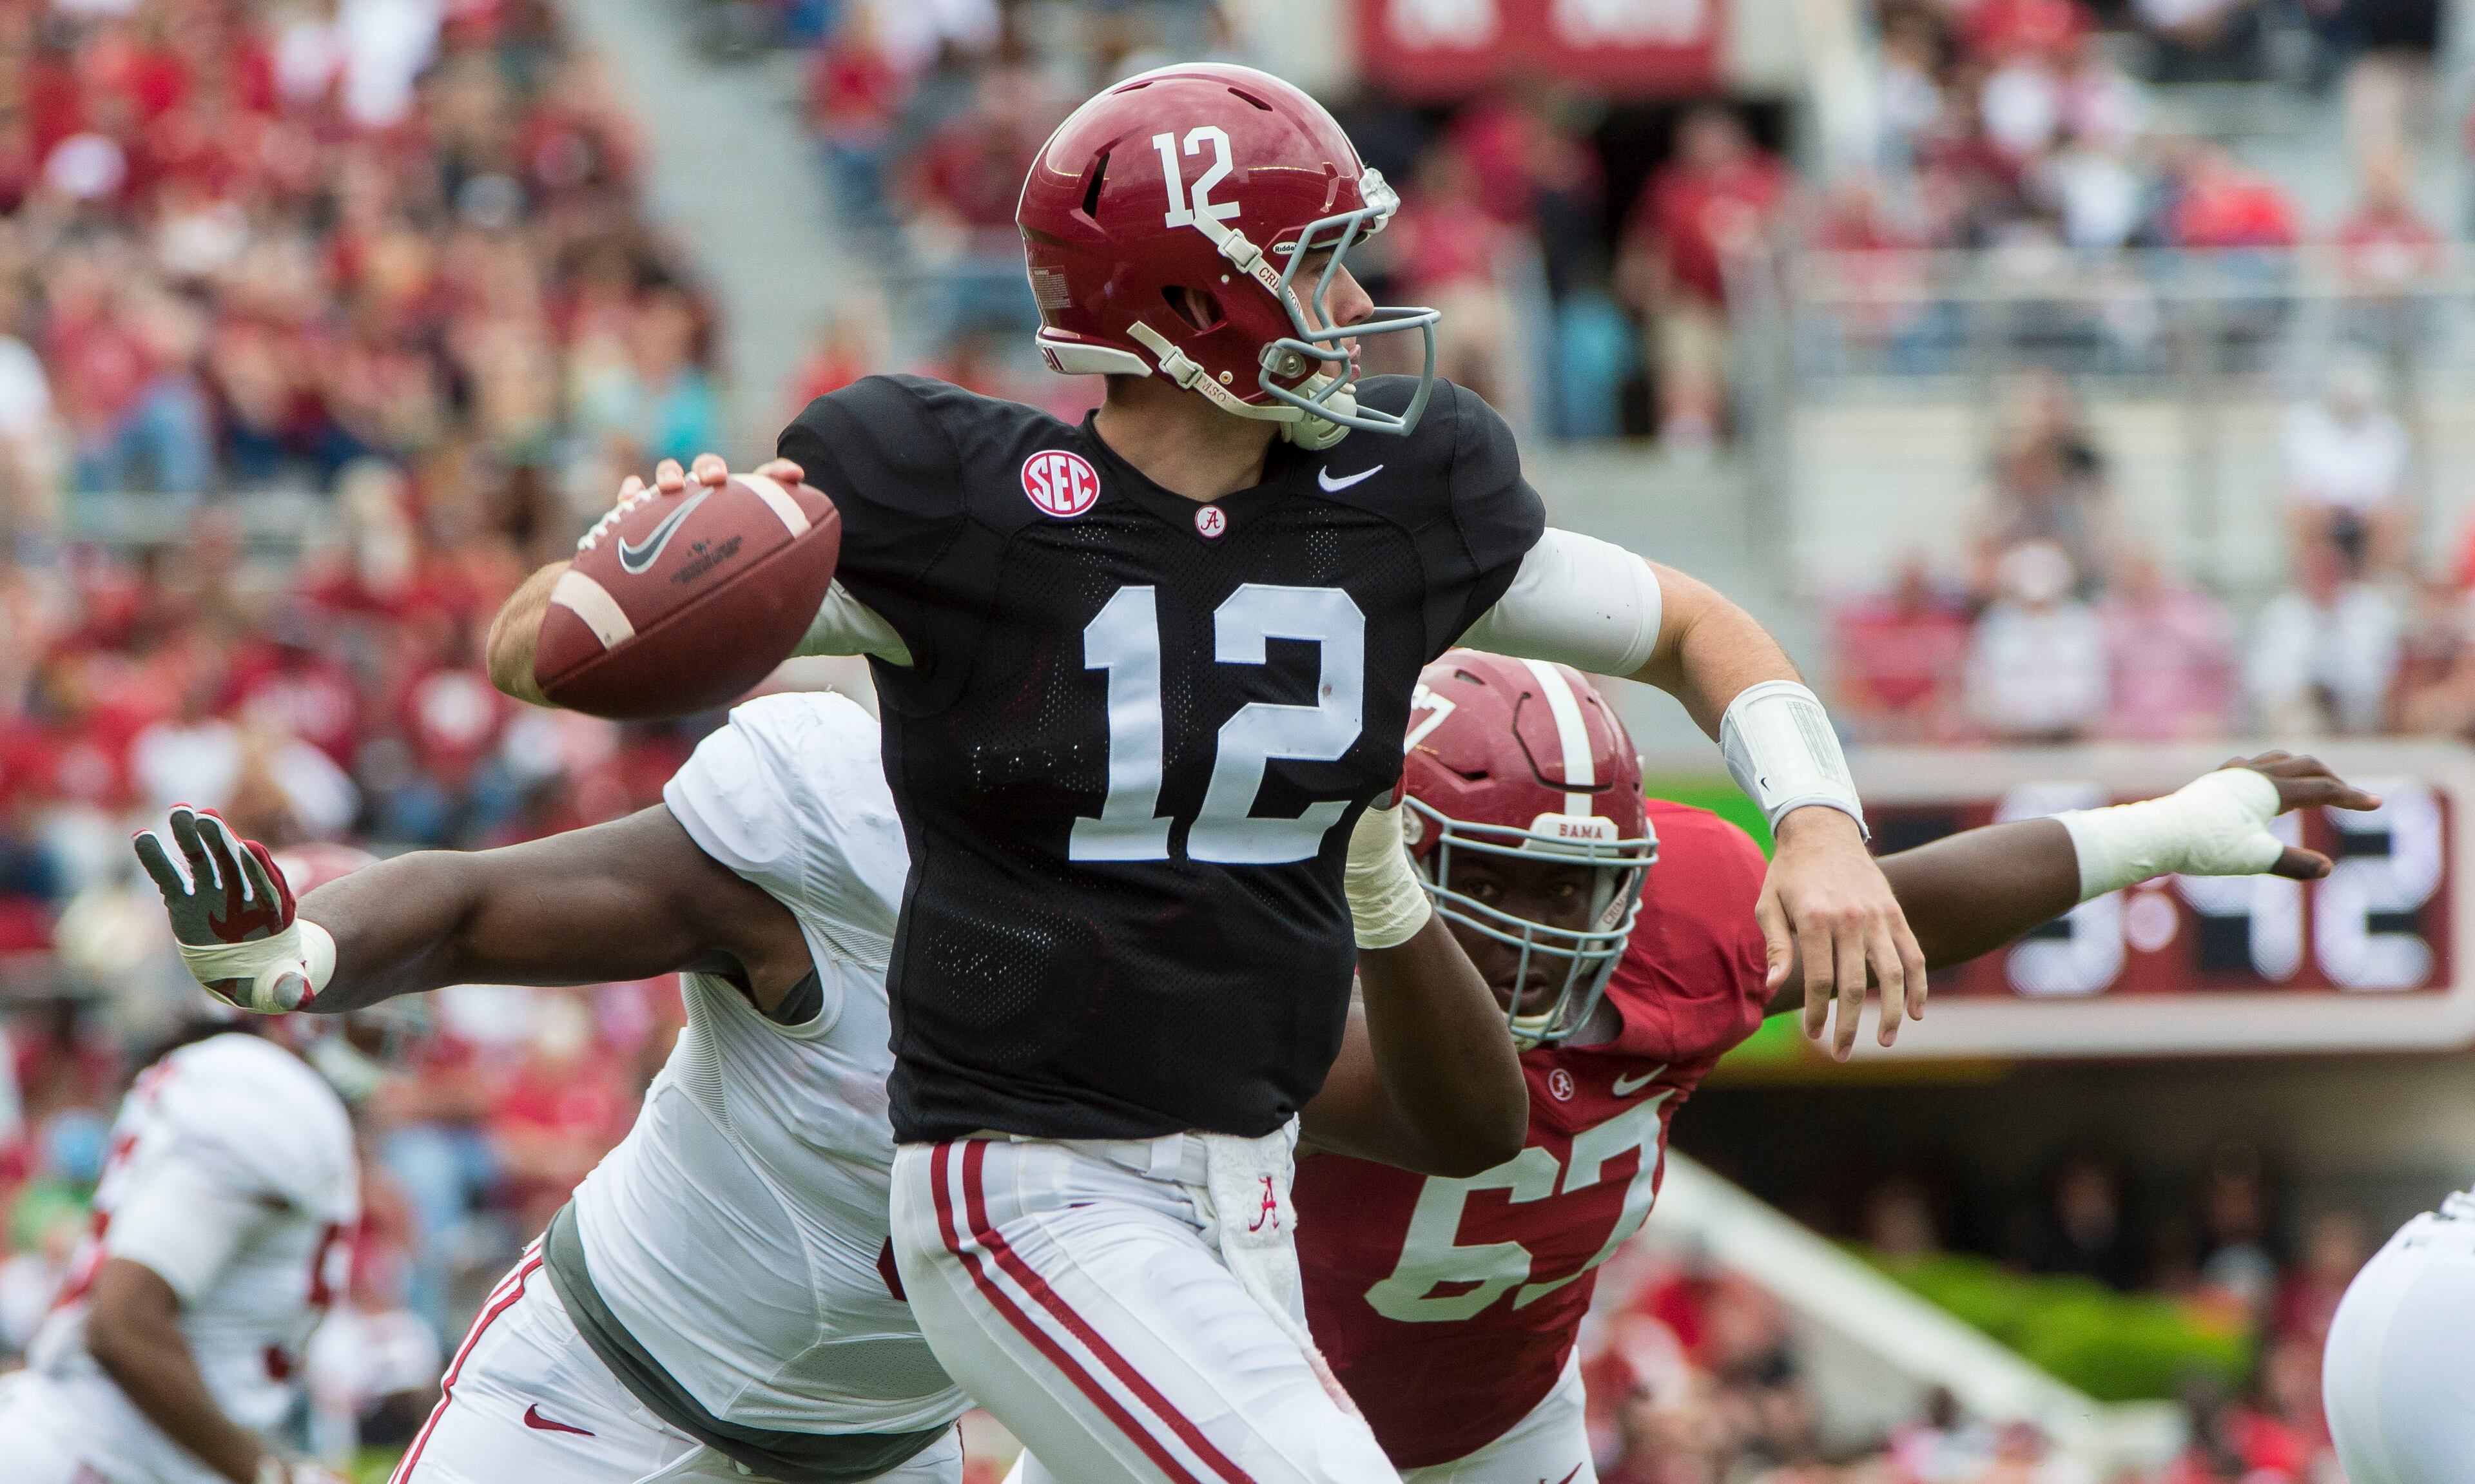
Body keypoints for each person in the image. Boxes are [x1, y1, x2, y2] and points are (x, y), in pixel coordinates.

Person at [485, 63, 1916, 1481]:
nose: (1356, 307)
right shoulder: (972, 511)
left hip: (1245, 1185)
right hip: (1034, 1181)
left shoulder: (1393, 508)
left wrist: (1822, 824)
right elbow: (541, 644)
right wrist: (619, 569)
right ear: (1192, 302)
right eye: (1318, 267)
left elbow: (1686, 623)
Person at [126, 688, 1529, 1484]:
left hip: (878, 1457)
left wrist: (1385, 882)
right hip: (600, 1398)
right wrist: (308, 949)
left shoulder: (1196, 952)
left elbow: (1460, 1121)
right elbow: (477, 906)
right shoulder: (825, 830)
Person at [1259, 652, 2365, 1484]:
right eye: (1511, 880)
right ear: (1390, 860)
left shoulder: (1675, 924)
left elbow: (1902, 907)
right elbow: (1454, 1112)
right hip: (1267, 1405)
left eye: (1581, 883)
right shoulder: (1293, 982)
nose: (1563, 924)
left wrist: (2159, 831)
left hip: (1503, 1423)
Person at [0, 845, 418, 1484]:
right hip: (97, 1459)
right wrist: (269, 1474)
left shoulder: (240, 1076)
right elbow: (126, 1323)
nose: (387, 1002)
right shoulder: (268, 1089)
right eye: (368, 975)